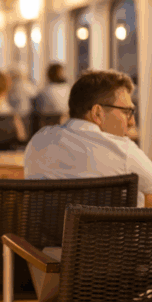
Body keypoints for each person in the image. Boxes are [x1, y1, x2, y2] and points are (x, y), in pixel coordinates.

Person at [25, 69, 152, 206]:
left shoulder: (38, 141)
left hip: (48, 228)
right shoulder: (122, 151)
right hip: (110, 228)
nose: (132, 121)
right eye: (127, 112)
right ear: (97, 113)